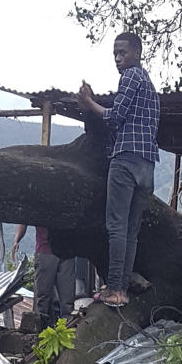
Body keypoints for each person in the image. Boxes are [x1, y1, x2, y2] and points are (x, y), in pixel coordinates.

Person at [78, 32, 160, 308]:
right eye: (115, 54)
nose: (118, 59)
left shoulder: (130, 77)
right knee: (131, 231)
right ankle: (122, 288)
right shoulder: (149, 85)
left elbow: (115, 117)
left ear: (136, 52)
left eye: (122, 52)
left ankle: (114, 289)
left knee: (116, 227)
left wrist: (89, 103)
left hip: (125, 161)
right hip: (148, 165)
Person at [10, 225, 75, 330]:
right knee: (42, 299)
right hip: (46, 250)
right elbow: (24, 219)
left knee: (67, 299)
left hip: (67, 251)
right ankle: (38, 332)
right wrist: (16, 240)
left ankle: (67, 332)